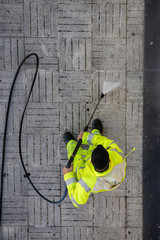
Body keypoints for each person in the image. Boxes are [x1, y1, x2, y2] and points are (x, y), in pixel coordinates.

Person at [62, 119, 126, 208]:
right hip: (113, 180)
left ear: (91, 161)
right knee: (98, 140)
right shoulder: (116, 155)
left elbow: (76, 200)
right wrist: (86, 137)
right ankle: (96, 132)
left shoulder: (88, 180)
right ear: (109, 160)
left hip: (86, 169)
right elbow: (104, 142)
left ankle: (71, 144)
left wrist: (68, 175)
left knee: (75, 155)